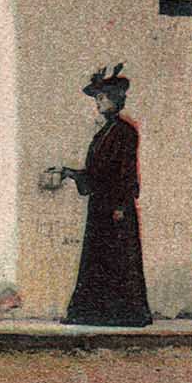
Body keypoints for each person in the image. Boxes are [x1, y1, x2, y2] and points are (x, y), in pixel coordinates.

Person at [58, 64, 153, 327]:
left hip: (115, 207)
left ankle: (124, 314)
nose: (98, 103)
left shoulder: (125, 132)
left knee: (118, 259)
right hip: (100, 204)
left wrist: (122, 204)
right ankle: (92, 313)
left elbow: (126, 172)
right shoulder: (103, 132)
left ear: (115, 99)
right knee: (98, 258)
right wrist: (70, 173)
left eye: (102, 98)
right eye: (97, 98)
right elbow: (95, 172)